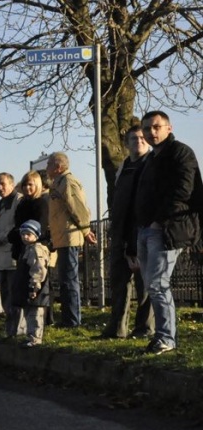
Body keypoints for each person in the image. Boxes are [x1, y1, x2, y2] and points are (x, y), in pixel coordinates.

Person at [134, 111, 203, 354]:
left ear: (168, 128)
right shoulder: (151, 159)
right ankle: (162, 335)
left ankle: (166, 338)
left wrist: (159, 221)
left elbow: (183, 190)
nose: (151, 133)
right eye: (146, 128)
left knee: (157, 283)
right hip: (146, 229)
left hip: (167, 229)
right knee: (151, 284)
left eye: (156, 127)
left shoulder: (180, 153)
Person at [100, 125, 154, 340]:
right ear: (126, 143)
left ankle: (145, 328)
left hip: (142, 232)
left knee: (145, 285)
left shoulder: (151, 165)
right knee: (119, 282)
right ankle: (117, 328)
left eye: (142, 138)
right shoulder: (123, 166)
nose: (139, 141)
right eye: (134, 138)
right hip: (121, 232)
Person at [46, 152, 97, 328]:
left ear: (58, 167)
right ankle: (69, 318)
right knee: (65, 280)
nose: (46, 169)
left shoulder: (67, 182)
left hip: (70, 236)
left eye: (49, 165)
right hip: (62, 237)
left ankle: (73, 320)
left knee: (69, 280)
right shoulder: (57, 184)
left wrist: (85, 230)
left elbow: (78, 208)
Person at [0, 173, 22, 334]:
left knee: (15, 291)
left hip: (12, 253)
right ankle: (10, 327)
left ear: (12, 184)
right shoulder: (1, 204)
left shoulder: (18, 200)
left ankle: (18, 327)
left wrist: (2, 237)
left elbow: (17, 225)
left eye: (2, 184)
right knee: (5, 292)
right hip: (1, 256)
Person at [11, 220, 51, 348]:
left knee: (35, 315)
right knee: (28, 313)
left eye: (28, 234)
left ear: (36, 235)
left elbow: (38, 269)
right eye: (23, 234)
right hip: (26, 287)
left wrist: (35, 286)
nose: (25, 237)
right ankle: (30, 336)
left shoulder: (36, 250)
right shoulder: (27, 249)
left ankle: (35, 338)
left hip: (35, 288)